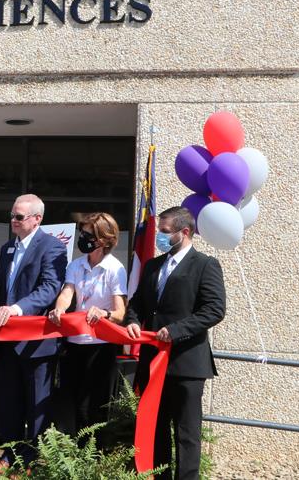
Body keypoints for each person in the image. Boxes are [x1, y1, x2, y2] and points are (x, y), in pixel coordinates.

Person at [124, 206, 226, 480]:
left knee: (186, 432)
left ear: (185, 232)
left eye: (164, 232)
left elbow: (214, 309)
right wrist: (132, 321)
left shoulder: (205, 265)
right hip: (152, 360)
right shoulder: (154, 265)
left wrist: (177, 330)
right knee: (156, 429)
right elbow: (137, 304)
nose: (159, 236)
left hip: (186, 362)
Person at [0, 194, 67, 477]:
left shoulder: (53, 247)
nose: (13, 221)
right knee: (8, 403)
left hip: (37, 344)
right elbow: (1, 295)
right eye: (12, 215)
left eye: (19, 217)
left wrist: (17, 309)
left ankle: (32, 461)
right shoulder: (8, 248)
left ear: (37, 219)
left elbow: (49, 288)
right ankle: (9, 456)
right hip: (8, 342)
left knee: (36, 406)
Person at [48, 212, 128, 441]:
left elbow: (120, 312)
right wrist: (60, 309)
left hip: (100, 345)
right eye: (82, 232)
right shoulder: (76, 264)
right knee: (69, 400)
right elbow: (67, 292)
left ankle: (92, 457)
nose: (82, 237)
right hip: (75, 342)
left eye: (87, 234)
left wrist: (105, 313)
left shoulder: (115, 269)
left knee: (93, 405)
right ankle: (70, 453)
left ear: (102, 240)